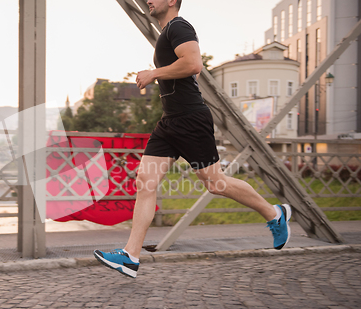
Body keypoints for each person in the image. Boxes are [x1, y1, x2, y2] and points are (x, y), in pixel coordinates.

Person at [93, 0, 291, 278]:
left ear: (172, 0)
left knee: (215, 183)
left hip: (190, 120)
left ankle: (274, 213)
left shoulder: (179, 26)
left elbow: (193, 63)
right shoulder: (167, 32)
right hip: (170, 123)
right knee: (145, 182)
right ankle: (130, 256)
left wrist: (154, 73)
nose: (148, 0)